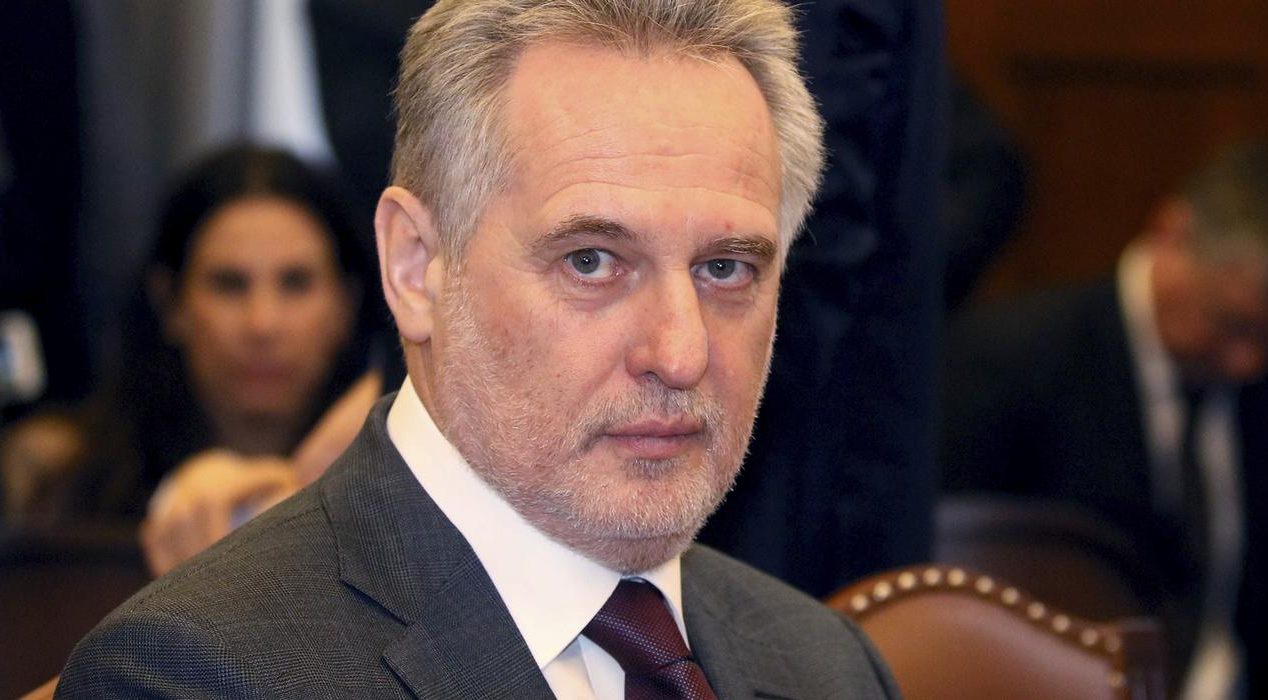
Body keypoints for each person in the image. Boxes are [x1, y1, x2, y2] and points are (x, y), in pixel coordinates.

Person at [56, 0, 900, 697]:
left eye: (725, 269)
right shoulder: (199, 674)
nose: (680, 354)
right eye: (592, 261)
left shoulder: (830, 666)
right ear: (415, 267)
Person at [943, 141, 1268, 698]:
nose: (1247, 362)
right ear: (1172, 234)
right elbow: (959, 607)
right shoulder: (1009, 365)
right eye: (1230, 324)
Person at [0, 145, 380, 551]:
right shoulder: (60, 468)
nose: (263, 324)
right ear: (170, 302)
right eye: (228, 284)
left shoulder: (400, 471)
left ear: (347, 305)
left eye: (296, 283)